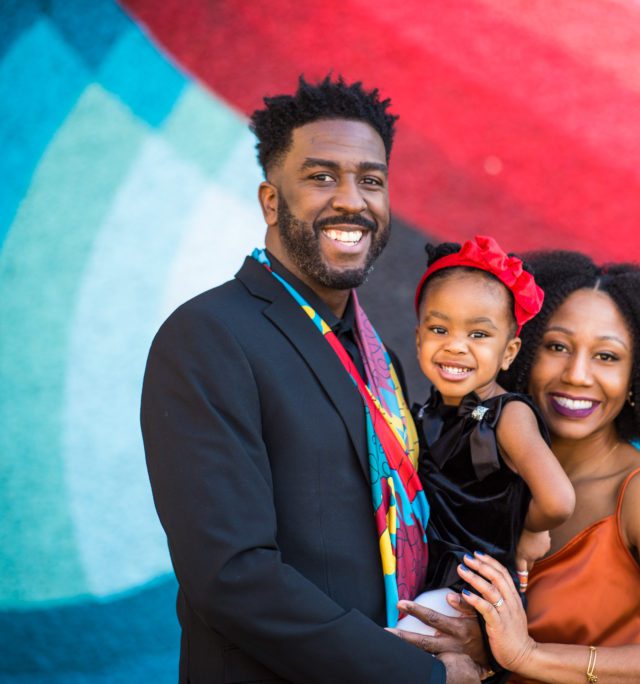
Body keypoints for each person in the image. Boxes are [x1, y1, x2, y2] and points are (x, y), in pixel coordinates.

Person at [141, 75, 480, 683]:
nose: (351, 200)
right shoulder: (208, 337)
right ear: (271, 201)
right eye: (321, 177)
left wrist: (467, 619)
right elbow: (231, 576)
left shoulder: (383, 361)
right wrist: (418, 677)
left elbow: (416, 518)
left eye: (370, 180)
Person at [397, 250, 640, 683]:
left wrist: (527, 655)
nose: (577, 374)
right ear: (516, 350)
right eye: (556, 347)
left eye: (607, 357)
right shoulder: (477, 468)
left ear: (639, 377)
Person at [397, 237, 575, 635]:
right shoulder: (425, 410)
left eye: (478, 335)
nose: (455, 345)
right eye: (439, 329)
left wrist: (526, 529)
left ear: (509, 352)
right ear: (418, 339)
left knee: (403, 642)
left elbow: (558, 500)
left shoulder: (507, 417)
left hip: (471, 586)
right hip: (426, 567)